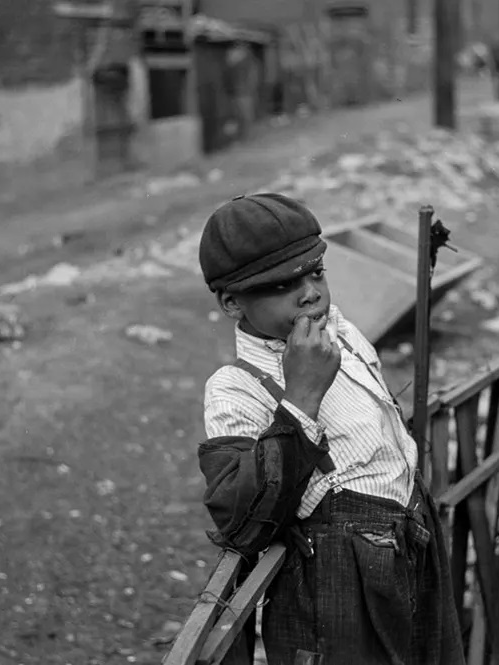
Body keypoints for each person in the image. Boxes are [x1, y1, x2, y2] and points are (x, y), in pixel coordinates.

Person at [196, 193, 465, 664]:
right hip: (340, 585)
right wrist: (301, 397)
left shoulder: (342, 334)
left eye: (315, 272)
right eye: (283, 285)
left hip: (410, 543)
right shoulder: (236, 389)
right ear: (231, 302)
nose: (310, 293)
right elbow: (239, 518)